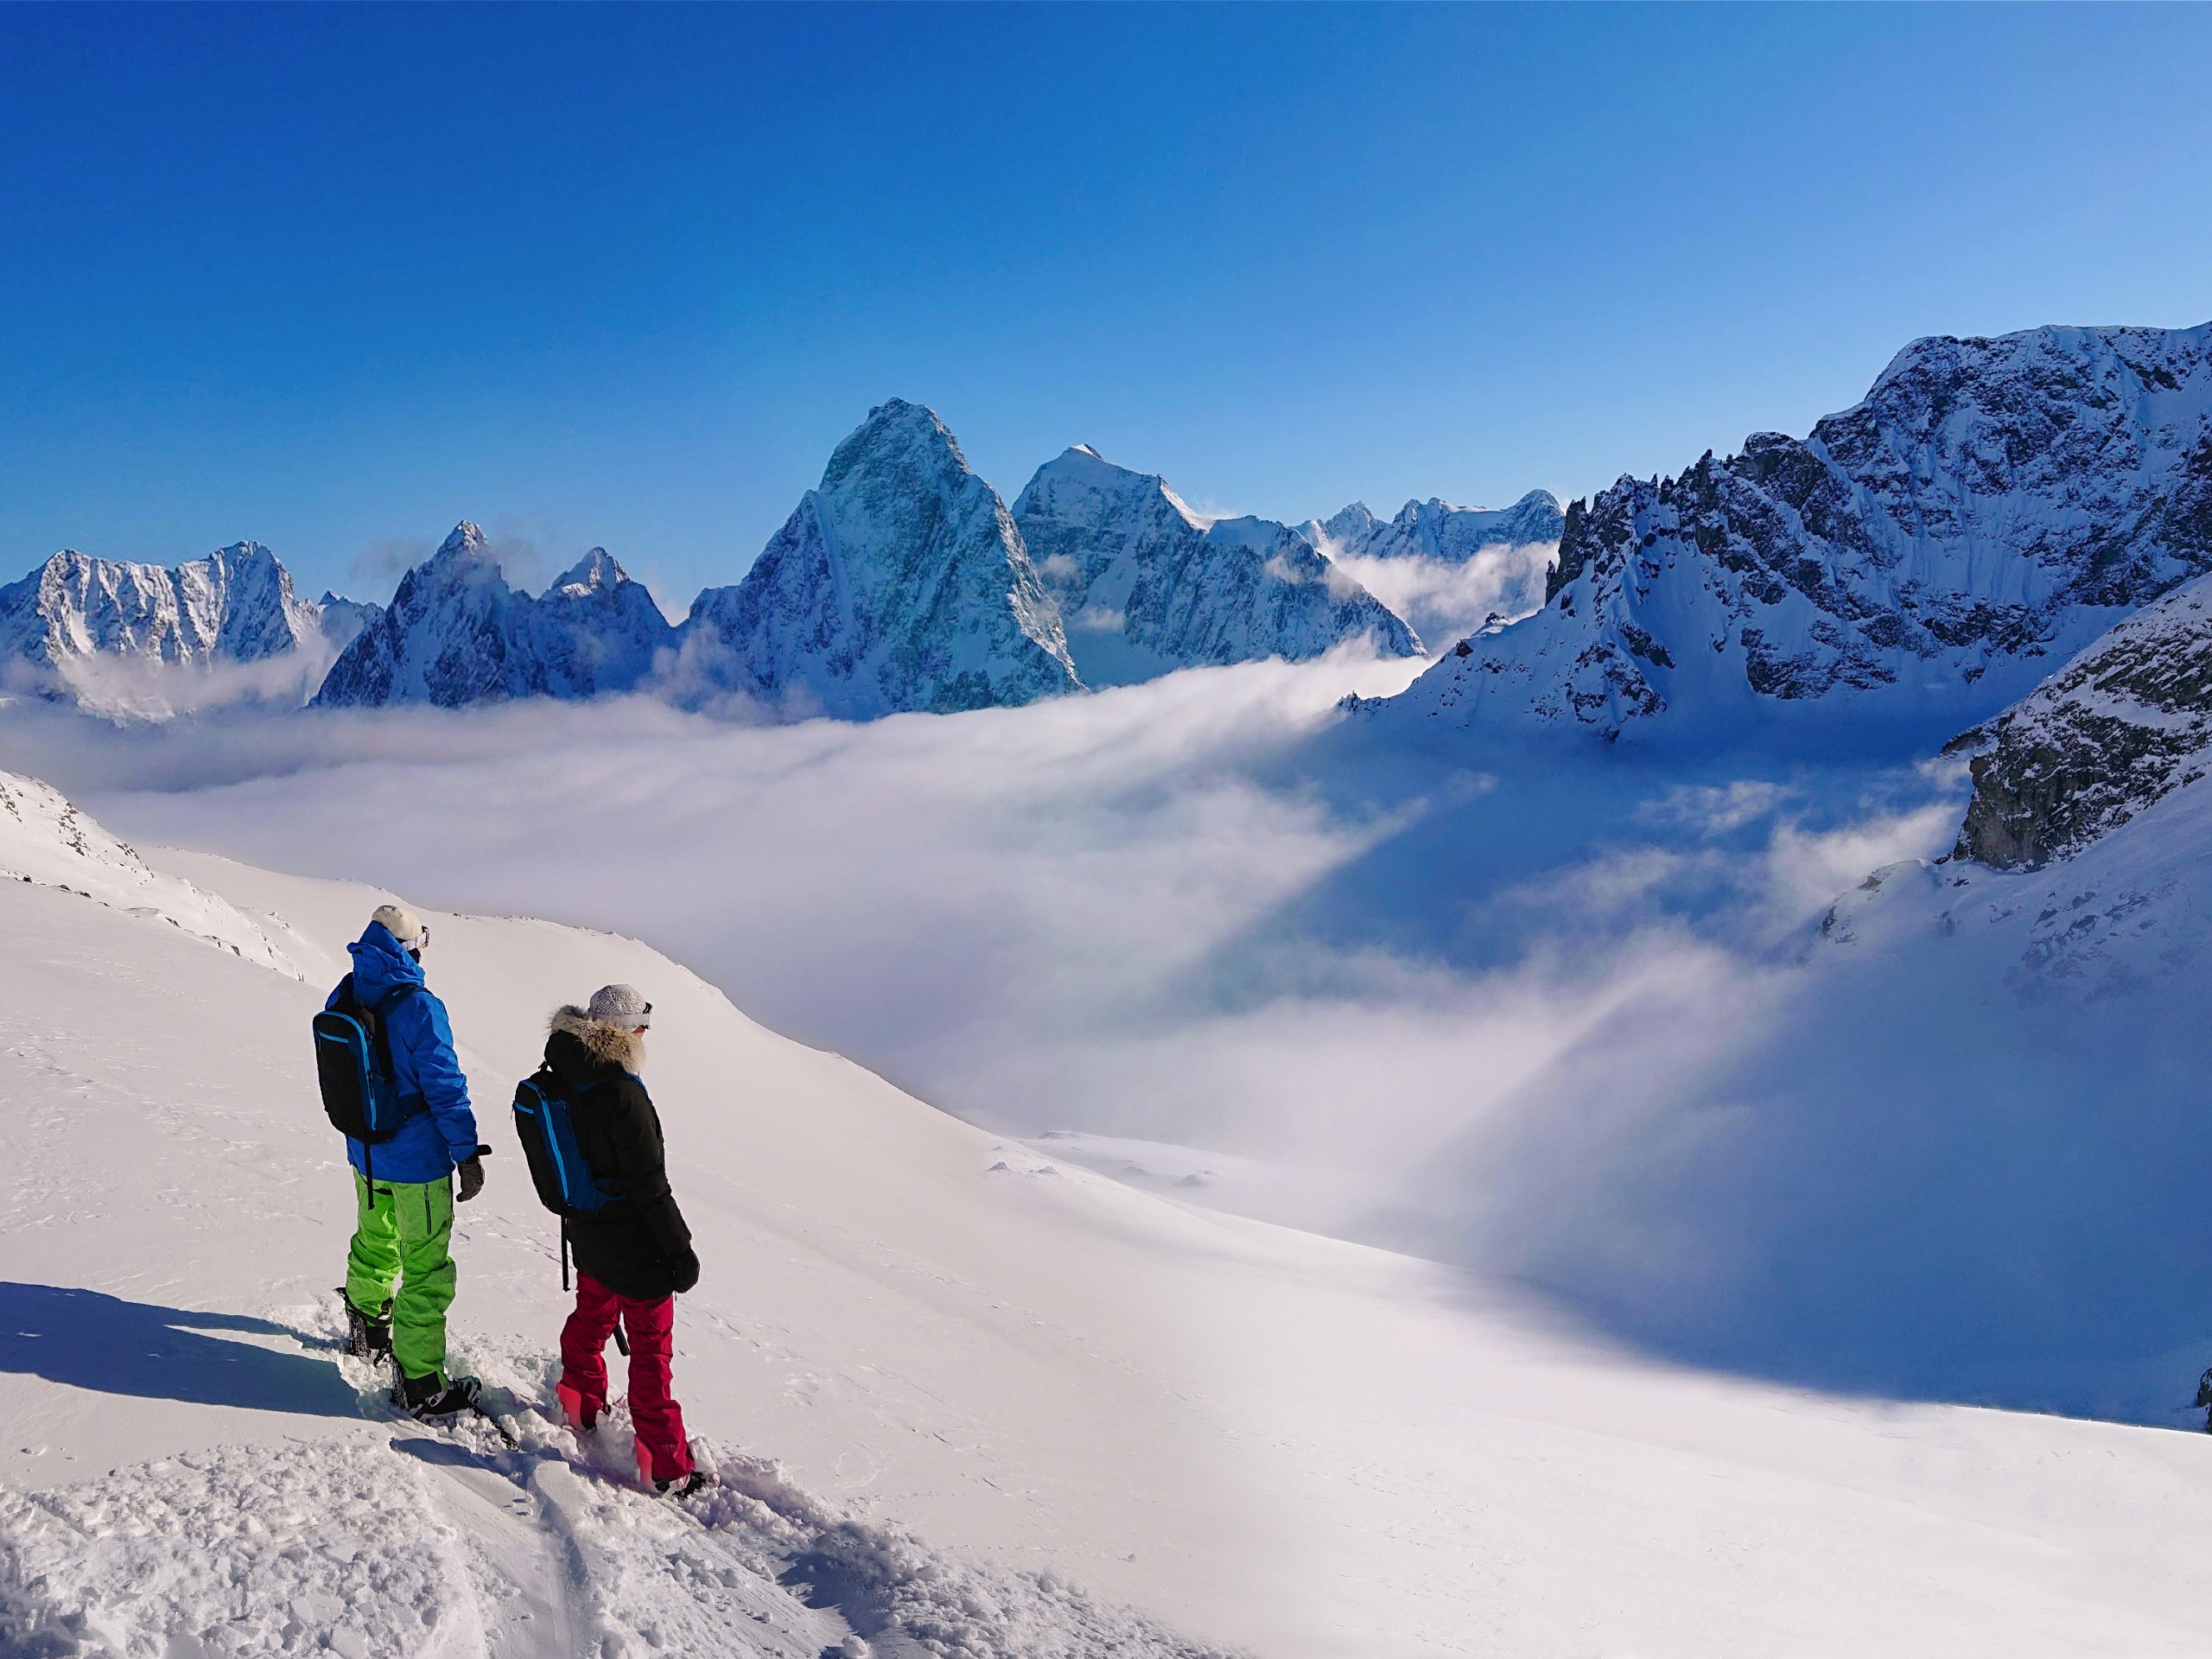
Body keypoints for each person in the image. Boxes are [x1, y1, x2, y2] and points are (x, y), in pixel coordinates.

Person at [538, 982, 706, 1497]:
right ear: (625, 1030)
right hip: (636, 1246)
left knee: (592, 1317)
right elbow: (650, 1186)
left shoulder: (565, 1070)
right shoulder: (622, 1091)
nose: (644, 1036)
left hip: (587, 1232)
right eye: (641, 1027)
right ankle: (665, 1464)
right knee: (652, 1351)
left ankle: (579, 1400)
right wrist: (680, 1251)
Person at [333, 902, 487, 1418]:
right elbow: (445, 1087)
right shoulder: (420, 1006)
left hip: (365, 1151)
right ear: (407, 948)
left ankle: (367, 1327)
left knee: (375, 1240)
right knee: (427, 1267)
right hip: (417, 1161)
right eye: (420, 945)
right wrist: (466, 1154)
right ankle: (420, 1382)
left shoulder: (347, 989)